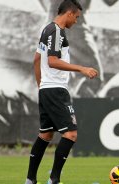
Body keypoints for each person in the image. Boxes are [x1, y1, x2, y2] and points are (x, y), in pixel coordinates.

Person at [25, 1, 98, 184]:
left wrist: (41, 85)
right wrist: (81, 69)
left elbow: (36, 60)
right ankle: (54, 179)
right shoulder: (56, 31)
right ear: (70, 13)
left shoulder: (46, 29)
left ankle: (30, 180)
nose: (77, 21)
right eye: (77, 17)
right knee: (70, 134)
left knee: (46, 135)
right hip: (56, 90)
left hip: (46, 89)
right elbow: (52, 61)